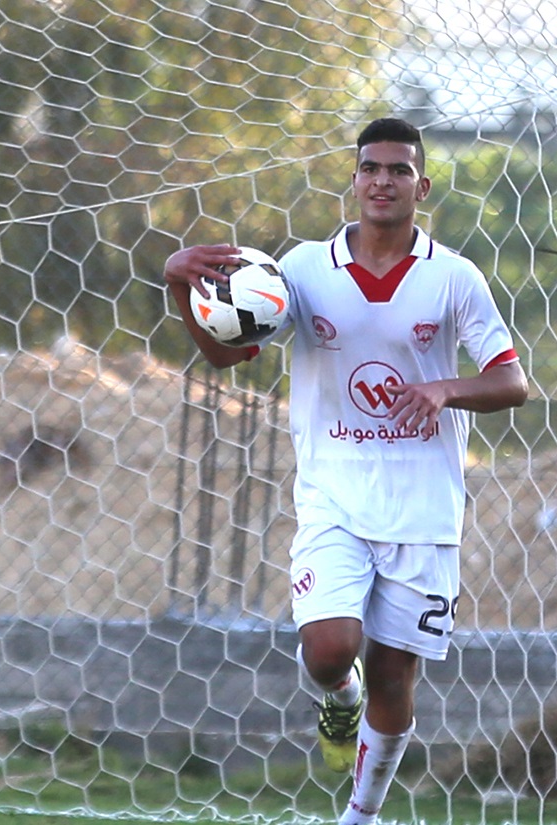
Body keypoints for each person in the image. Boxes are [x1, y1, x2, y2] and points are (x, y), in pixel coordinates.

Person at [163, 118, 528, 825]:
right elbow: (226, 355)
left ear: (422, 186)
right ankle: (337, 697)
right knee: (330, 650)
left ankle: (360, 815)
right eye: (370, 168)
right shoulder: (301, 269)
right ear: (355, 179)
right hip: (333, 494)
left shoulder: (453, 278)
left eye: (398, 170)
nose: (382, 181)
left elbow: (511, 382)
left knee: (393, 676)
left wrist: (445, 388)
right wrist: (181, 287)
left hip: (423, 506)